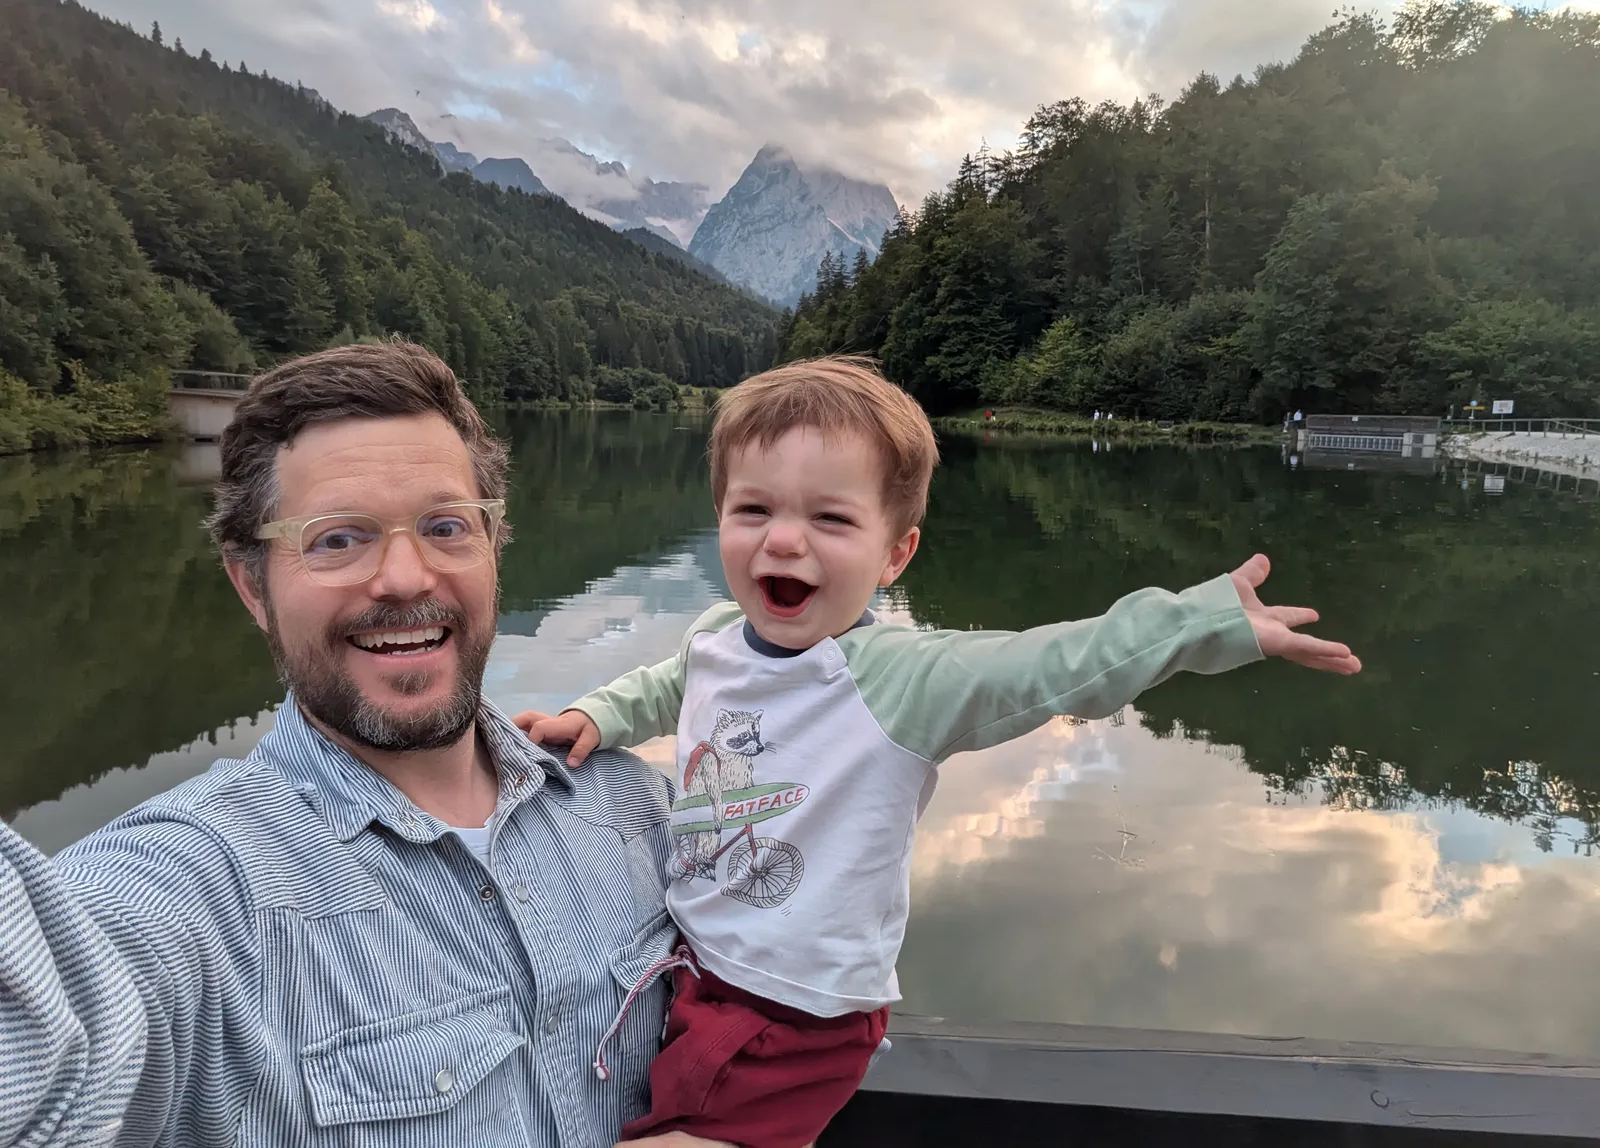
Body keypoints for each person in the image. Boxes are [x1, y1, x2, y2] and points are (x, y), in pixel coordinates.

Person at [518, 357, 1361, 1148]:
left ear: (896, 554)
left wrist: (1200, 624)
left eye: (830, 518)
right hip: (699, 969)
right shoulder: (715, 636)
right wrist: (596, 714)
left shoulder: (905, 680)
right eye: (755, 510)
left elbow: (1054, 664)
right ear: (721, 519)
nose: (782, 541)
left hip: (793, 1014)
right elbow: (671, 681)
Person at [0, 341, 725, 1148]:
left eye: (447, 526)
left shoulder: (638, 806)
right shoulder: (201, 893)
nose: (406, 577)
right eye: (338, 539)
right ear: (252, 586)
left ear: (494, 547)